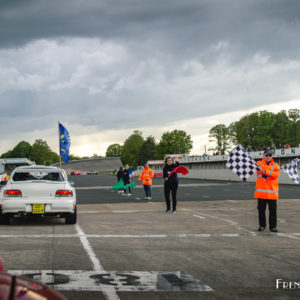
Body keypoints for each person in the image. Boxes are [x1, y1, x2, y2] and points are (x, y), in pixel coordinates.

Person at [255, 149, 281, 232]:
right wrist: (268, 172)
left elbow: (276, 175)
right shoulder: (259, 163)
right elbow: (258, 171)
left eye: (270, 155)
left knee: (273, 211)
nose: (268, 157)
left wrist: (265, 171)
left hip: (272, 193)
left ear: (271, 156)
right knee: (261, 210)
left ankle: (273, 227)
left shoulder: (276, 165)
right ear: (263, 156)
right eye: (266, 155)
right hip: (261, 193)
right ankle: (262, 225)